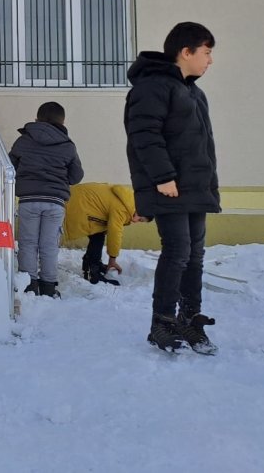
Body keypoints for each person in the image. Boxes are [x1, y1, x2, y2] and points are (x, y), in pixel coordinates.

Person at [125, 21, 220, 354]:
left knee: (194, 255)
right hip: (170, 186)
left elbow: (202, 145)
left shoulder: (194, 92)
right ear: (186, 51)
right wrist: (163, 177)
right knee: (177, 252)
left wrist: (209, 185)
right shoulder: (153, 87)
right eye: (206, 53)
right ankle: (162, 323)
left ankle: (189, 319)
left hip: (194, 188)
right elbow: (144, 136)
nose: (209, 61)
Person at [10, 101, 84, 299]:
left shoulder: (23, 141)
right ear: (63, 121)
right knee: (49, 245)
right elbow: (76, 176)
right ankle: (49, 288)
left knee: (27, 243)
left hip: (29, 199)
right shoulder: (67, 146)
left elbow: (11, 166)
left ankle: (29, 286)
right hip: (55, 202)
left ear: (37, 119)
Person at [61, 183, 148, 286]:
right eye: (140, 218)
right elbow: (115, 233)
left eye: (140, 221)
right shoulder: (124, 209)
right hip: (76, 205)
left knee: (99, 233)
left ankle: (92, 264)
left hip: (76, 199)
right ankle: (92, 273)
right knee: (98, 236)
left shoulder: (129, 200)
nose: (136, 221)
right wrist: (113, 259)